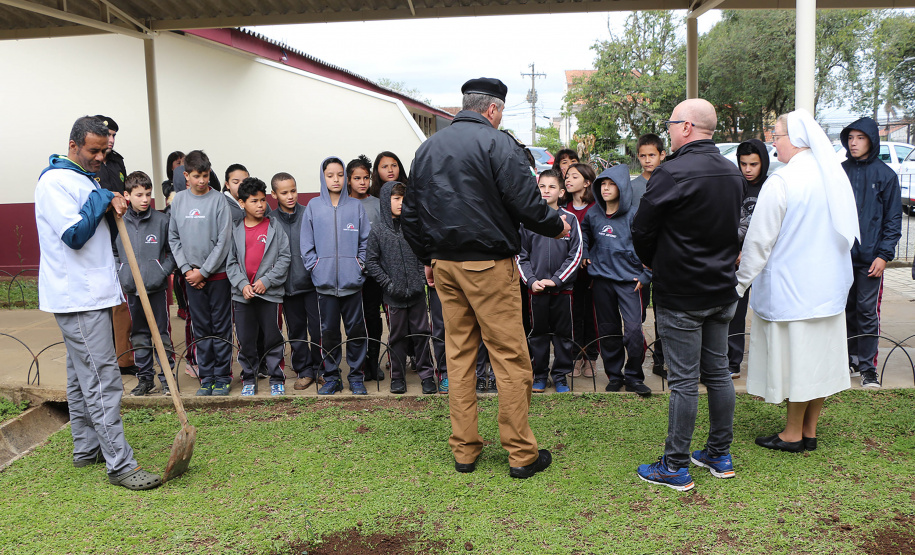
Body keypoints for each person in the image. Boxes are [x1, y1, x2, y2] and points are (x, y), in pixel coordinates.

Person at [403, 77, 569, 479]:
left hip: (444, 265)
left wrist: (428, 256)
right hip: (488, 265)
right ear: (493, 109)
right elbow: (527, 203)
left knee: (458, 358)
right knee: (510, 357)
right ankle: (521, 454)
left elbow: (410, 214)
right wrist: (557, 227)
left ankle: (464, 450)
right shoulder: (499, 144)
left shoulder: (427, 148)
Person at [35, 116, 161, 490]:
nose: (101, 157)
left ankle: (86, 447)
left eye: (105, 150)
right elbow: (74, 235)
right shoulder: (55, 182)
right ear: (73, 144)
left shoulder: (84, 178)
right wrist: (101, 199)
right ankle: (120, 464)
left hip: (90, 292)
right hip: (77, 296)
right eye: (94, 150)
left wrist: (108, 204)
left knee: (79, 375)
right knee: (103, 379)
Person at [631, 99, 745, 491]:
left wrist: (655, 264)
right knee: (716, 373)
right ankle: (719, 453)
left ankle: (675, 466)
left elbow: (641, 231)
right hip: (720, 289)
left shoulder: (671, 173)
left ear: (687, 127)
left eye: (671, 123)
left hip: (682, 293)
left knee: (683, 382)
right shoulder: (732, 173)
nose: (668, 130)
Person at [736, 110, 859, 453]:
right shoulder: (832, 177)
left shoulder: (783, 180)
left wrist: (739, 283)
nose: (773, 141)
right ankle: (809, 429)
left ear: (796, 138)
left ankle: (792, 434)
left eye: (776, 135)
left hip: (792, 292)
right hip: (828, 289)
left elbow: (758, 242)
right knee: (818, 362)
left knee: (800, 365)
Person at [841, 117, 902, 388]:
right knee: (844, 309)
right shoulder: (838, 172)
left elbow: (893, 220)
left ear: (872, 140)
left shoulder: (886, 175)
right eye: (850, 138)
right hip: (841, 258)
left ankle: (868, 369)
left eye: (860, 138)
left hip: (871, 260)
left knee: (867, 311)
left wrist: (883, 255)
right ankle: (848, 359)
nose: (854, 143)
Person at [301, 157, 370, 395]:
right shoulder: (313, 207)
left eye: (340, 174)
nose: (336, 179)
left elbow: (365, 242)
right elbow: (306, 245)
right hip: (325, 285)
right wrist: (316, 267)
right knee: (328, 333)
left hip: (352, 283)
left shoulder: (355, 207)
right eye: (330, 175)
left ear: (345, 177)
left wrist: (359, 265)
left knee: (356, 332)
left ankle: (356, 377)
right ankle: (331, 377)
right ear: (323, 177)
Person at [168, 150, 234, 396]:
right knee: (201, 327)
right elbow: (173, 237)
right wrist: (187, 270)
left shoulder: (219, 201)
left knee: (221, 326)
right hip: (191, 279)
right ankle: (207, 377)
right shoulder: (179, 201)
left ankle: (223, 376)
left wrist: (204, 272)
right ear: (186, 176)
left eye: (206, 175)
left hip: (217, 277)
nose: (202, 181)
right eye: (197, 176)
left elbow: (223, 241)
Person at [583, 164, 652, 397]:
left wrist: (646, 275)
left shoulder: (635, 215)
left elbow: (650, 246)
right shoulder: (593, 213)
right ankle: (614, 375)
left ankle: (634, 375)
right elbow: (583, 234)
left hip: (630, 281)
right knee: (608, 330)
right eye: (602, 184)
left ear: (622, 187)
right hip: (602, 281)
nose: (606, 188)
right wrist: (585, 254)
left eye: (612, 184)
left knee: (633, 330)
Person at [365, 181, 437, 395]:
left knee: (422, 334)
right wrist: (388, 284)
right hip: (393, 296)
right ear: (386, 202)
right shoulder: (378, 231)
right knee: (396, 337)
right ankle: (398, 377)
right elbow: (371, 262)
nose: (401, 204)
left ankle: (426, 376)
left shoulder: (414, 229)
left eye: (404, 200)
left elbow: (422, 255)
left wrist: (419, 280)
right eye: (396, 199)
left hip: (416, 295)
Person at [517, 169, 582, 394]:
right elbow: (520, 255)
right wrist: (531, 281)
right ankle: (540, 374)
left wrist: (557, 280)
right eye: (542, 187)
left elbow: (576, 254)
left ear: (562, 192)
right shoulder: (528, 221)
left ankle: (561, 375)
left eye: (552, 187)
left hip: (563, 290)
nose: (546, 191)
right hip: (536, 290)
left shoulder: (571, 220)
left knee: (564, 335)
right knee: (538, 333)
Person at [113, 171, 177, 397]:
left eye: (148, 194)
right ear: (127, 196)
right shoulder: (119, 222)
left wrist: (162, 272)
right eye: (139, 194)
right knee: (139, 334)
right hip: (132, 289)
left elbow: (172, 252)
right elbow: (113, 252)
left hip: (156, 288)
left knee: (160, 333)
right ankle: (145, 379)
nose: (144, 199)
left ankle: (168, 379)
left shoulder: (161, 221)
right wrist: (122, 273)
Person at [226, 177, 291, 396]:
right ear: (242, 203)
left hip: (270, 294)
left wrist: (267, 281)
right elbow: (231, 262)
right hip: (242, 295)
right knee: (246, 338)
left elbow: (284, 258)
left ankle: (276, 377)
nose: (261, 205)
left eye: (263, 200)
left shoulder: (275, 227)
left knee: (273, 336)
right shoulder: (235, 231)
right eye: (254, 201)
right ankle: (249, 377)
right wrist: (242, 284)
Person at [271, 172, 323, 390]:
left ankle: (322, 368)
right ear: (274, 195)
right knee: (297, 331)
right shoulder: (271, 221)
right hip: (288, 287)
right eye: (284, 193)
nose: (290, 196)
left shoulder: (308, 214)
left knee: (319, 328)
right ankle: (304, 370)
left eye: (293, 190)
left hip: (312, 284)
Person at [93, 115, 136, 376]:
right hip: (97, 239)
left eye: (114, 136)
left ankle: (123, 358)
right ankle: (103, 357)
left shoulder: (118, 160)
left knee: (122, 300)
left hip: (120, 238)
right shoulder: (88, 165)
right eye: (107, 134)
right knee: (101, 303)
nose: (110, 140)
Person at [728, 139, 771, 379]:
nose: (747, 169)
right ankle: (732, 362)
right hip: (736, 260)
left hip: (766, 260)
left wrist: (753, 251)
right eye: (743, 164)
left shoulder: (773, 186)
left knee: (768, 311)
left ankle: (767, 361)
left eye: (753, 164)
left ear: (763, 163)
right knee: (735, 310)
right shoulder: (734, 185)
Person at [631, 133, 667, 378]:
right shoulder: (632, 187)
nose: (647, 160)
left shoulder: (670, 181)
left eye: (651, 155)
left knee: (664, 311)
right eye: (642, 156)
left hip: (666, 257)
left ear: (662, 155)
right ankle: (636, 357)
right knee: (639, 311)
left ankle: (661, 359)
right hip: (639, 259)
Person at [348, 155, 385, 383]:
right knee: (354, 320)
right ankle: (358, 363)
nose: (362, 182)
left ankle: (373, 361)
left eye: (366, 178)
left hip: (373, 273)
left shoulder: (378, 204)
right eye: (356, 178)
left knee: (373, 317)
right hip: (351, 273)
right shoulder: (343, 204)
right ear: (348, 180)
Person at [563, 163, 599, 378]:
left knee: (591, 315)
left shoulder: (595, 209)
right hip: (569, 273)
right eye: (567, 176)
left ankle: (592, 358)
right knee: (573, 315)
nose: (568, 180)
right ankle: (576, 358)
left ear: (587, 183)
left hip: (592, 273)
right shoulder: (563, 208)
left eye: (574, 177)